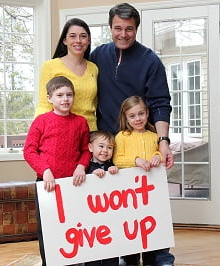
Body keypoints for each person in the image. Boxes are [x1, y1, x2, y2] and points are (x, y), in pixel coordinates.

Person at [90, 2, 173, 169]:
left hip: (140, 148)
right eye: (118, 28)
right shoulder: (98, 55)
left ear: (136, 29)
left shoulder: (150, 61)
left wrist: (163, 142)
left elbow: (160, 104)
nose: (123, 34)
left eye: (129, 29)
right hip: (105, 146)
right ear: (110, 28)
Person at [23, 76, 91, 266]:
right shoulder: (41, 121)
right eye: (59, 95)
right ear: (49, 98)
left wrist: (81, 166)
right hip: (47, 185)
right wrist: (44, 170)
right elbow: (29, 151)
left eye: (69, 95)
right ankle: (50, 262)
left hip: (74, 185)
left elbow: (86, 150)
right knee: (48, 227)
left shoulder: (80, 122)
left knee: (74, 225)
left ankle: (75, 260)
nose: (65, 99)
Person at [113, 96, 175, 266]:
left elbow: (160, 153)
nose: (137, 119)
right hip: (130, 195)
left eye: (141, 114)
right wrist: (137, 160)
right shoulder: (121, 137)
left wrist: (157, 156)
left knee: (153, 226)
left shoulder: (154, 136)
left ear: (147, 113)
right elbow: (118, 159)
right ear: (125, 118)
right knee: (132, 227)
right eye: (132, 116)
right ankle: (129, 259)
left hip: (152, 194)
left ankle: (154, 260)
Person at [36, 18, 98, 131]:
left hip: (90, 132)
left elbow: (95, 103)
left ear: (88, 41)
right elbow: (44, 104)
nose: (78, 40)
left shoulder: (93, 68)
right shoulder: (50, 66)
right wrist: (38, 131)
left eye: (83, 36)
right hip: (60, 130)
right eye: (72, 36)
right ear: (64, 40)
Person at [84, 130, 119, 266]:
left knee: (111, 248)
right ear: (91, 147)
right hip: (91, 217)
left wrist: (115, 171)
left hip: (109, 216)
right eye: (101, 146)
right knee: (92, 248)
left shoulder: (111, 166)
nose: (105, 150)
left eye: (109, 148)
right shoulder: (86, 167)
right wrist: (91, 175)